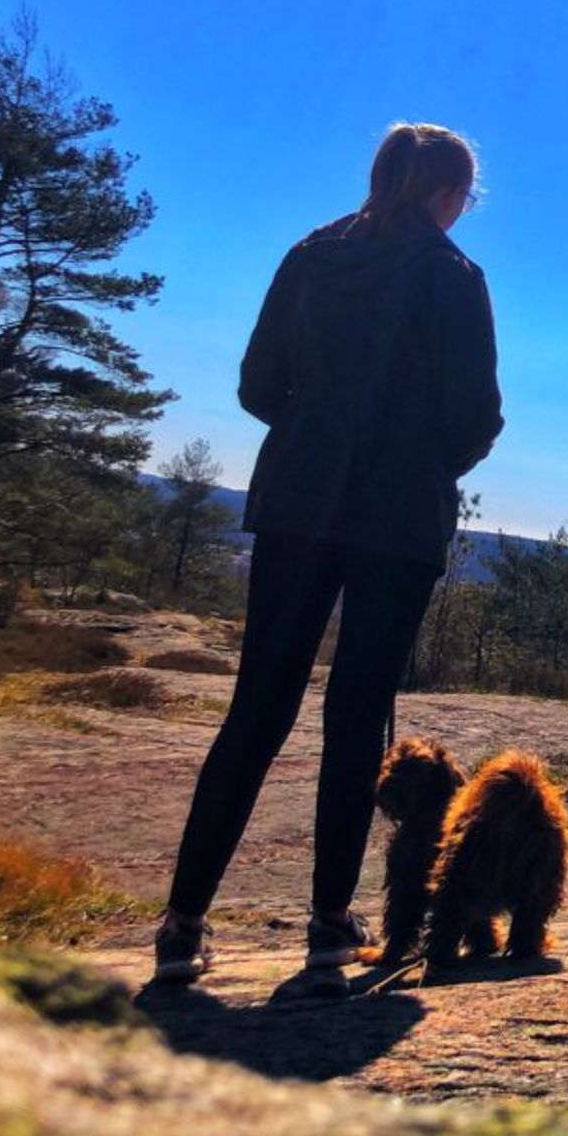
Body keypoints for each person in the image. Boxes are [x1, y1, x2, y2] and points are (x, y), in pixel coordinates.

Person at [153, 122, 503, 983]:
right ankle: (327, 925)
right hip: (399, 517)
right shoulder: (456, 278)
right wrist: (421, 463)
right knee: (357, 715)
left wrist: (316, 435)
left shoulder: (311, 255)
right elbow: (479, 417)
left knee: (256, 710)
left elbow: (255, 385)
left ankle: (181, 922)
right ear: (446, 193)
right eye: (463, 198)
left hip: (298, 502)